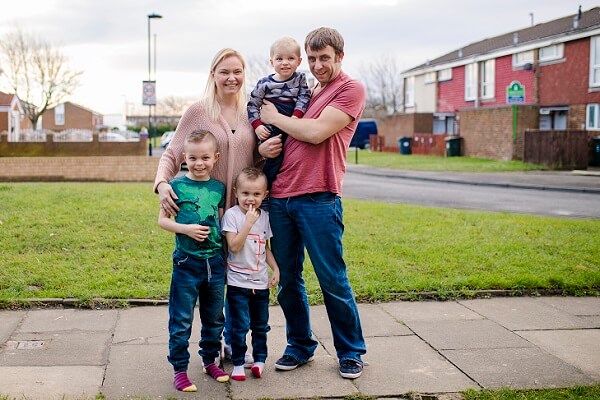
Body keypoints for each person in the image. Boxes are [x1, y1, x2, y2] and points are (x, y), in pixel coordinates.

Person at [257, 27, 367, 379]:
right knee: (288, 279)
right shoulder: (306, 87)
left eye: (326, 58)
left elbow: (317, 132)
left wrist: (274, 118)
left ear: (339, 57)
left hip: (319, 196)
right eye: (314, 58)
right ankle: (300, 345)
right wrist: (262, 144)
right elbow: (272, 136)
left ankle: (351, 352)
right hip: (280, 196)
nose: (319, 65)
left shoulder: (350, 89)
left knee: (332, 279)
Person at [154, 48, 260, 367]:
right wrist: (161, 184)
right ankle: (207, 349)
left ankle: (228, 341)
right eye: (224, 71)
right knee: (210, 282)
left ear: (244, 74)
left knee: (237, 283)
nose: (231, 77)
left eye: (237, 71)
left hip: (239, 216)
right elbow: (173, 154)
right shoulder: (198, 112)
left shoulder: (251, 113)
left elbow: (256, 162)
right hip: (206, 218)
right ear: (213, 74)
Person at [158, 130, 230, 392]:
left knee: (214, 319)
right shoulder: (175, 186)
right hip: (186, 264)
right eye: (193, 158)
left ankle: (210, 361)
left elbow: (220, 224)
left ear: (216, 158)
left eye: (205, 158)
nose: (199, 163)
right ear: (184, 158)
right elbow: (163, 220)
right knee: (181, 319)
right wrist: (186, 229)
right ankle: (179, 369)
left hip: (215, 263)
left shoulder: (219, 188)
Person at [221, 167, 280, 381]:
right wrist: (248, 223)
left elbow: (265, 248)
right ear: (236, 192)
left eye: (256, 194)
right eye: (245, 193)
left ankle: (260, 361)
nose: (250, 199)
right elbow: (234, 246)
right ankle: (237, 364)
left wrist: (276, 269)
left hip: (261, 284)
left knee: (260, 326)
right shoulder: (232, 216)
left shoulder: (265, 217)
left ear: (265, 195)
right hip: (238, 284)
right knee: (239, 326)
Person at [247, 37, 311, 188]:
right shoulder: (264, 83)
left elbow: (304, 98)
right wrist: (257, 126)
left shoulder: (300, 79)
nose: (285, 62)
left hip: (293, 122)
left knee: (294, 157)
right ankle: (263, 187)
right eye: (279, 58)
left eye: (290, 58)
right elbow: (252, 105)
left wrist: (296, 117)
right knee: (275, 157)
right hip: (271, 128)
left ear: (299, 61)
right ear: (271, 62)